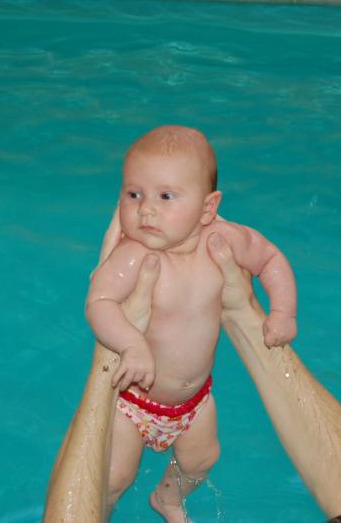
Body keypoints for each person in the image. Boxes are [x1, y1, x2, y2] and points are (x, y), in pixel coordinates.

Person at [44, 223, 341, 522]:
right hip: (139, 404)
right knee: (117, 476)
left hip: (186, 405)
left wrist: (110, 352)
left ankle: (151, 500)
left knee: (195, 461)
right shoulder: (157, 251)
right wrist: (250, 313)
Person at [85, 125, 297, 520]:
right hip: (133, 401)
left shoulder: (224, 240)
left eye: (165, 196)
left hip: (194, 402)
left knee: (202, 461)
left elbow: (271, 259)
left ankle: (168, 497)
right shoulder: (134, 255)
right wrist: (131, 343)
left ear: (207, 207)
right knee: (115, 476)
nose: (146, 210)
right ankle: (100, 510)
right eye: (134, 194)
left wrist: (283, 312)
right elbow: (98, 301)